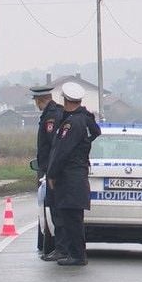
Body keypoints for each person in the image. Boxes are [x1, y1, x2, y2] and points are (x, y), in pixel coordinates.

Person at [47, 82, 101, 266]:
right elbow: (95, 133)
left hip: (69, 176)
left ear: (66, 100)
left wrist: (51, 174)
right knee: (72, 216)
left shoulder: (72, 123)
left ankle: (77, 255)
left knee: (71, 218)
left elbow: (61, 151)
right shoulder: (85, 119)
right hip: (77, 174)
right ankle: (75, 253)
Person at [30, 84, 67, 260]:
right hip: (54, 170)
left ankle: (61, 248)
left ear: (40, 100)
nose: (36, 104)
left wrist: (50, 172)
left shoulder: (51, 116)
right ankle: (61, 248)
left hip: (54, 172)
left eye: (36, 101)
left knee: (57, 212)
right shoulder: (55, 113)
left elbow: (54, 147)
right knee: (56, 211)